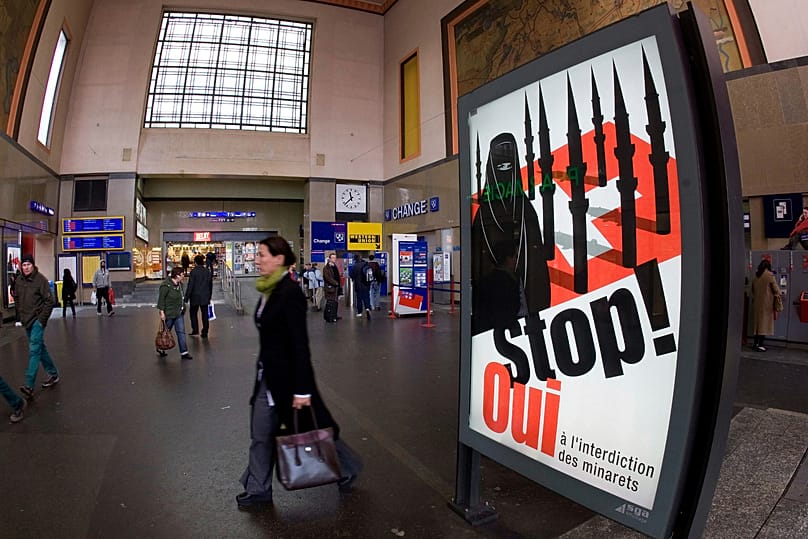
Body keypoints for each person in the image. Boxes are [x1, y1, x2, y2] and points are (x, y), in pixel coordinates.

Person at [237, 236, 361, 510]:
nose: (257, 260)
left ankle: (348, 467)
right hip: (266, 378)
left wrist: (303, 389)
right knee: (261, 433)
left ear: (279, 259)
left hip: (291, 381)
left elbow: (300, 345)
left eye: (262, 255)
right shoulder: (267, 290)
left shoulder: (289, 293)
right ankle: (258, 489)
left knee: (312, 429)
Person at [15, 254, 60, 398]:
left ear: (33, 265)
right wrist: (20, 316)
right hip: (26, 319)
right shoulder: (19, 281)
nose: (26, 267)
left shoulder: (41, 280)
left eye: (28, 264)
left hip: (36, 321)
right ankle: (53, 373)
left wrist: (41, 320)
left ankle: (29, 384)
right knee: (40, 347)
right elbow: (17, 298)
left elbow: (49, 301)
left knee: (34, 349)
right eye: (24, 265)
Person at [156, 267, 193, 360]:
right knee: (165, 332)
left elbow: (181, 297)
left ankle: (184, 352)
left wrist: (183, 307)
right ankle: (161, 347)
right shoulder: (165, 286)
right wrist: (162, 312)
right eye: (182, 275)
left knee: (181, 332)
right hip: (169, 313)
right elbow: (161, 300)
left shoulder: (180, 285)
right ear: (177, 276)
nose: (183, 276)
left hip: (178, 313)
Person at [750, 259, 780, 352]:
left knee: (757, 325)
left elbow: (753, 290)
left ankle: (755, 343)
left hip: (757, 304)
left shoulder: (756, 276)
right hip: (766, 305)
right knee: (763, 325)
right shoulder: (769, 275)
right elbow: (777, 290)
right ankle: (760, 345)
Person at [185, 254, 213, 338]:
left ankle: (195, 329)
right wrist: (209, 296)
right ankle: (205, 331)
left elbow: (190, 285)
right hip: (205, 296)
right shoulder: (207, 272)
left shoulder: (193, 272)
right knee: (205, 314)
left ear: (195, 262)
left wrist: (186, 297)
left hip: (195, 296)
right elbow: (210, 285)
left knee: (193, 313)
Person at [349, 254, 372, 319]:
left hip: (358, 285)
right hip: (366, 284)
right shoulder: (366, 264)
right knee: (366, 297)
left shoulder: (355, 266)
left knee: (359, 299)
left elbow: (351, 275)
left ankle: (360, 312)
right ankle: (367, 308)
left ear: (355, 259)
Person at [322, 253, 341, 323]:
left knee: (335, 302)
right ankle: (329, 317)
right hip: (330, 288)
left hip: (335, 288)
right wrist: (335, 283)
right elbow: (328, 278)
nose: (334, 259)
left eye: (335, 258)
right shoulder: (326, 268)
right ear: (329, 258)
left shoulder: (334, 266)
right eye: (333, 258)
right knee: (330, 302)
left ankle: (334, 315)